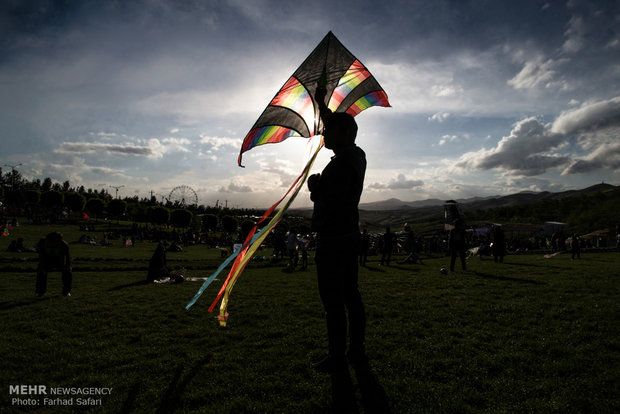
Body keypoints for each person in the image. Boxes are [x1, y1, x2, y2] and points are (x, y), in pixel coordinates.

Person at [307, 85, 367, 373]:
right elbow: (338, 125)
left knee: (334, 300)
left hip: (335, 240)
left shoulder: (345, 162)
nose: (323, 134)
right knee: (350, 296)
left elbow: (334, 200)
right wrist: (321, 103)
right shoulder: (352, 156)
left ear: (344, 134)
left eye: (328, 131)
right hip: (346, 237)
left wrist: (315, 187)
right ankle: (354, 351)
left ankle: (338, 355)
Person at [35, 232, 72, 296]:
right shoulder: (42, 244)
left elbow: (66, 259)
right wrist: (43, 267)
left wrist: (65, 267)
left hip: (59, 260)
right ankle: (40, 291)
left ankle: (66, 291)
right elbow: (42, 257)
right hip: (47, 260)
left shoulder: (64, 246)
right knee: (41, 271)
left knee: (67, 271)